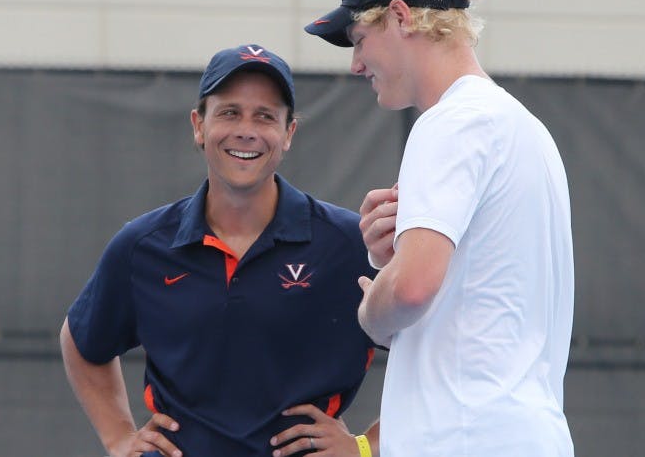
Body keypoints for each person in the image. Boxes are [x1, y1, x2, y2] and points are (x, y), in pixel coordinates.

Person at [304, 0, 575, 457]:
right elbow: (482, 309)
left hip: (463, 438)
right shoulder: (525, 129)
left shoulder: (450, 122)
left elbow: (410, 292)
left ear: (400, 17)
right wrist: (394, 257)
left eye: (359, 40)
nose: (356, 64)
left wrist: (372, 307)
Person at [60, 43, 394, 456]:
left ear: (288, 133)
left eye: (265, 116)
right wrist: (119, 437)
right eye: (230, 113)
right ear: (199, 126)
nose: (246, 130)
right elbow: (81, 342)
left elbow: (440, 350)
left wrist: (366, 446)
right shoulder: (143, 245)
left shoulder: (348, 245)